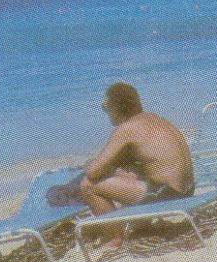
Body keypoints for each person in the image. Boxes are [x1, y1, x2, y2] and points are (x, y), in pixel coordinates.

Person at [67, 83, 195, 247]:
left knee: (88, 185)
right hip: (187, 190)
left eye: (105, 108)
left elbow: (93, 172)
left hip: (168, 196)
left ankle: (114, 238)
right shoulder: (154, 119)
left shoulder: (126, 129)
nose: (106, 114)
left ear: (115, 108)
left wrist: (89, 165)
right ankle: (143, 224)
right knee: (125, 173)